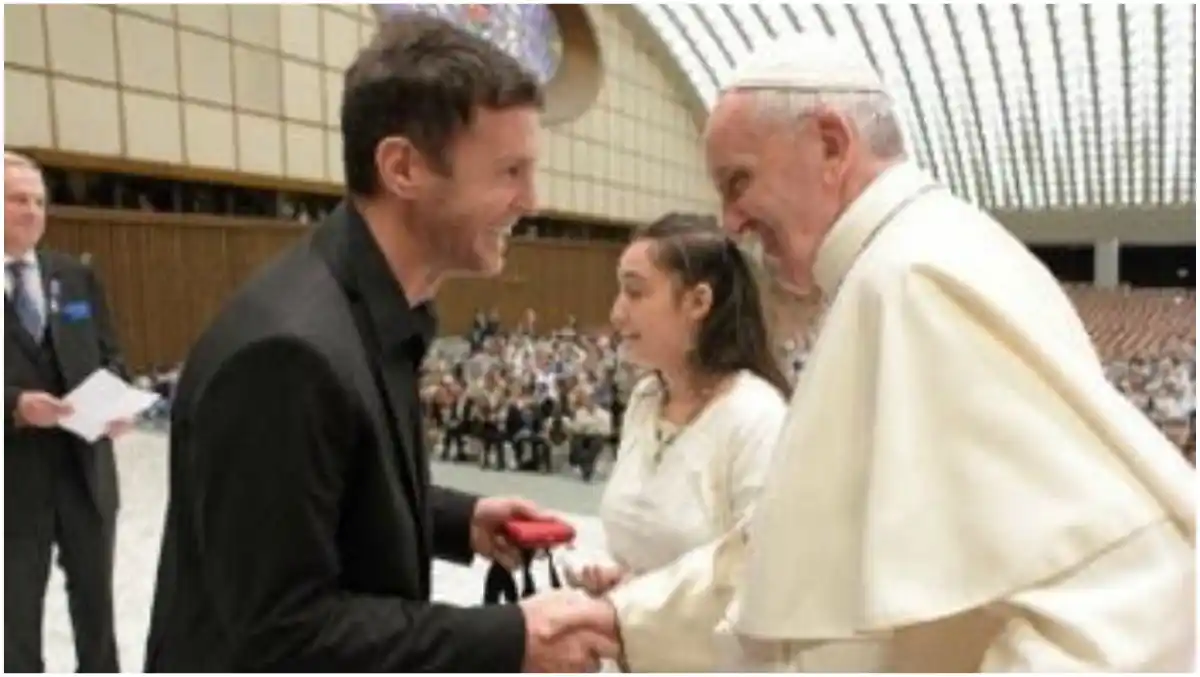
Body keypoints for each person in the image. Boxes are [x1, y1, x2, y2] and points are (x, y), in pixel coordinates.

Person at [689, 33, 1195, 671]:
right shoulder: (889, 269)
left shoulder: (915, 278)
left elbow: (1127, 592)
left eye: (739, 182)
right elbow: (794, 553)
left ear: (831, 144)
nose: (730, 221)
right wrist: (627, 618)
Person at [144, 16, 617, 673]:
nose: (531, 200)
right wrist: (509, 636)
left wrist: (459, 517)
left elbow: (329, 498)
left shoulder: (370, 304)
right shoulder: (289, 355)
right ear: (403, 167)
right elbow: (282, 632)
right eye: (510, 170)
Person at [566, 214, 790, 671]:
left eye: (635, 291)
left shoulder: (756, 417)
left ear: (697, 301)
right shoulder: (646, 400)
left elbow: (761, 582)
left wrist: (632, 606)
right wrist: (622, 580)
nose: (616, 313)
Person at [4, 151, 133, 672]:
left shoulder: (74, 277)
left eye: (38, 201)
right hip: (13, 480)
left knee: (96, 608)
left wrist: (117, 400)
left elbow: (112, 355)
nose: (32, 211)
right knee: (17, 611)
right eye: (17, 200)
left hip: (85, 469)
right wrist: (11, 405)